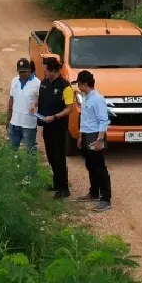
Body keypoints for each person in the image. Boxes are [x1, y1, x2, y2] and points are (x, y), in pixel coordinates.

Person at [37, 57, 75, 198]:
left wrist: (54, 117)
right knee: (50, 155)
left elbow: (69, 109)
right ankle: (56, 183)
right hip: (46, 126)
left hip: (58, 127)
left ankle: (64, 188)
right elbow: (41, 98)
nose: (44, 73)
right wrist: (35, 104)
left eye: (46, 70)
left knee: (59, 157)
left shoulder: (65, 87)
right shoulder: (44, 83)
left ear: (54, 71)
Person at [74, 70, 111, 212]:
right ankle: (94, 192)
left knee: (100, 168)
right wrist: (81, 136)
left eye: (79, 84)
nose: (78, 86)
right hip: (87, 134)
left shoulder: (97, 99)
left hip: (95, 135)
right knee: (90, 166)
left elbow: (103, 121)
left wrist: (99, 140)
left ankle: (106, 199)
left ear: (84, 84)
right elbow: (85, 119)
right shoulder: (86, 98)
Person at [6, 57, 41, 155]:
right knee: (11, 151)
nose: (22, 74)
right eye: (20, 72)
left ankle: (31, 170)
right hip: (14, 123)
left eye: (24, 72)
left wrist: (36, 104)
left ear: (29, 70)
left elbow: (41, 100)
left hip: (29, 124)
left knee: (31, 151)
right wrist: (8, 119)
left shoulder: (37, 83)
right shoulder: (14, 81)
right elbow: (11, 99)